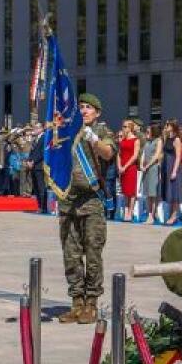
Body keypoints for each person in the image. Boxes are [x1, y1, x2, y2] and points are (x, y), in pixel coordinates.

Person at [56, 93, 115, 324]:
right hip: (68, 201)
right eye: (81, 106)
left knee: (92, 254)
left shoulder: (101, 132)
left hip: (91, 202)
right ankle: (76, 302)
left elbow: (108, 153)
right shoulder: (67, 133)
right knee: (70, 255)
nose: (84, 110)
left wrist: (92, 139)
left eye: (88, 107)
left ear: (97, 112)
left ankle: (91, 302)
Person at [117, 119, 141, 221]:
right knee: (125, 191)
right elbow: (119, 154)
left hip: (130, 167)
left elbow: (135, 156)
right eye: (123, 126)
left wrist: (125, 166)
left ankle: (130, 213)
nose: (123, 128)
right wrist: (119, 166)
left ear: (130, 128)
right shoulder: (122, 140)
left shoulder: (136, 140)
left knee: (131, 192)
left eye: (125, 126)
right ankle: (126, 211)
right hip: (122, 168)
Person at [139, 122, 162, 223]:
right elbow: (143, 153)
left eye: (149, 130)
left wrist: (147, 166)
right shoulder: (147, 142)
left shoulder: (158, 141)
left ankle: (152, 215)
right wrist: (141, 164)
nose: (147, 132)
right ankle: (150, 214)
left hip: (153, 169)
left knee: (153, 193)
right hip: (146, 170)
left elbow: (156, 155)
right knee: (148, 193)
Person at [161, 121, 182, 225]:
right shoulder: (167, 139)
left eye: (167, 125)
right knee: (169, 191)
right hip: (166, 166)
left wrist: (174, 171)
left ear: (173, 127)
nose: (166, 127)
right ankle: (171, 214)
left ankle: (174, 215)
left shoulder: (177, 139)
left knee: (174, 192)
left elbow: (178, 156)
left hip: (173, 167)